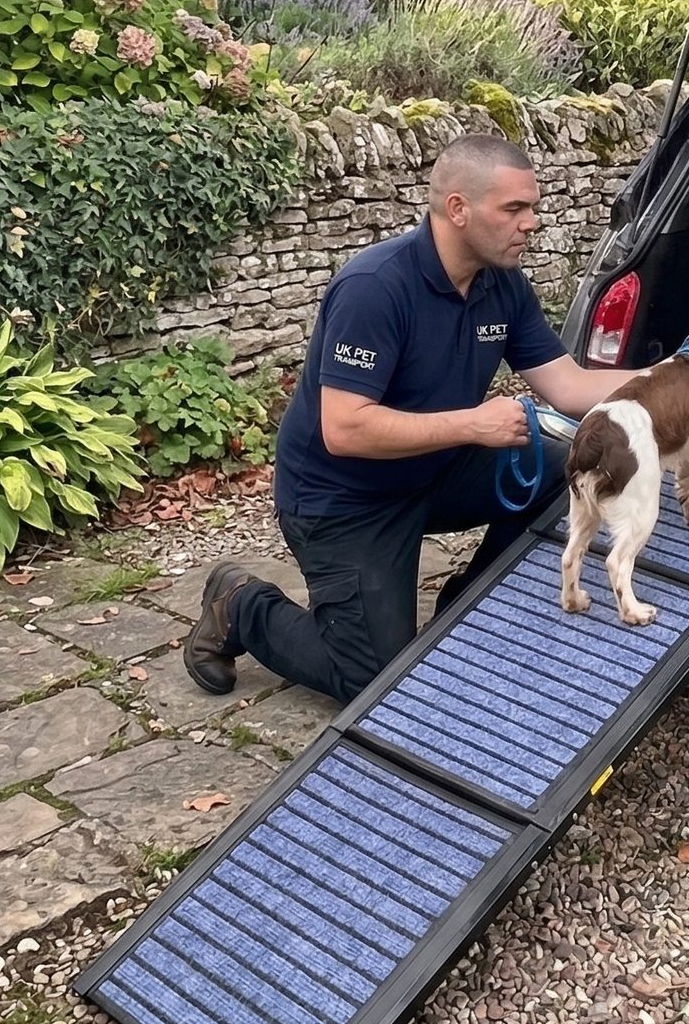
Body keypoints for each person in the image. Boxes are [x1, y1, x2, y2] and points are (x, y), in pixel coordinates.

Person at [183, 132, 626, 704]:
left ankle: (470, 609)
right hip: (343, 500)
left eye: (533, 208)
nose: (532, 223)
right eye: (515, 208)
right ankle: (239, 604)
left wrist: (675, 376)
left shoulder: (502, 284)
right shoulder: (375, 288)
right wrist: (472, 425)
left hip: (433, 472)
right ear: (458, 209)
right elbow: (343, 429)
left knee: (575, 470)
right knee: (372, 681)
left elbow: (568, 387)